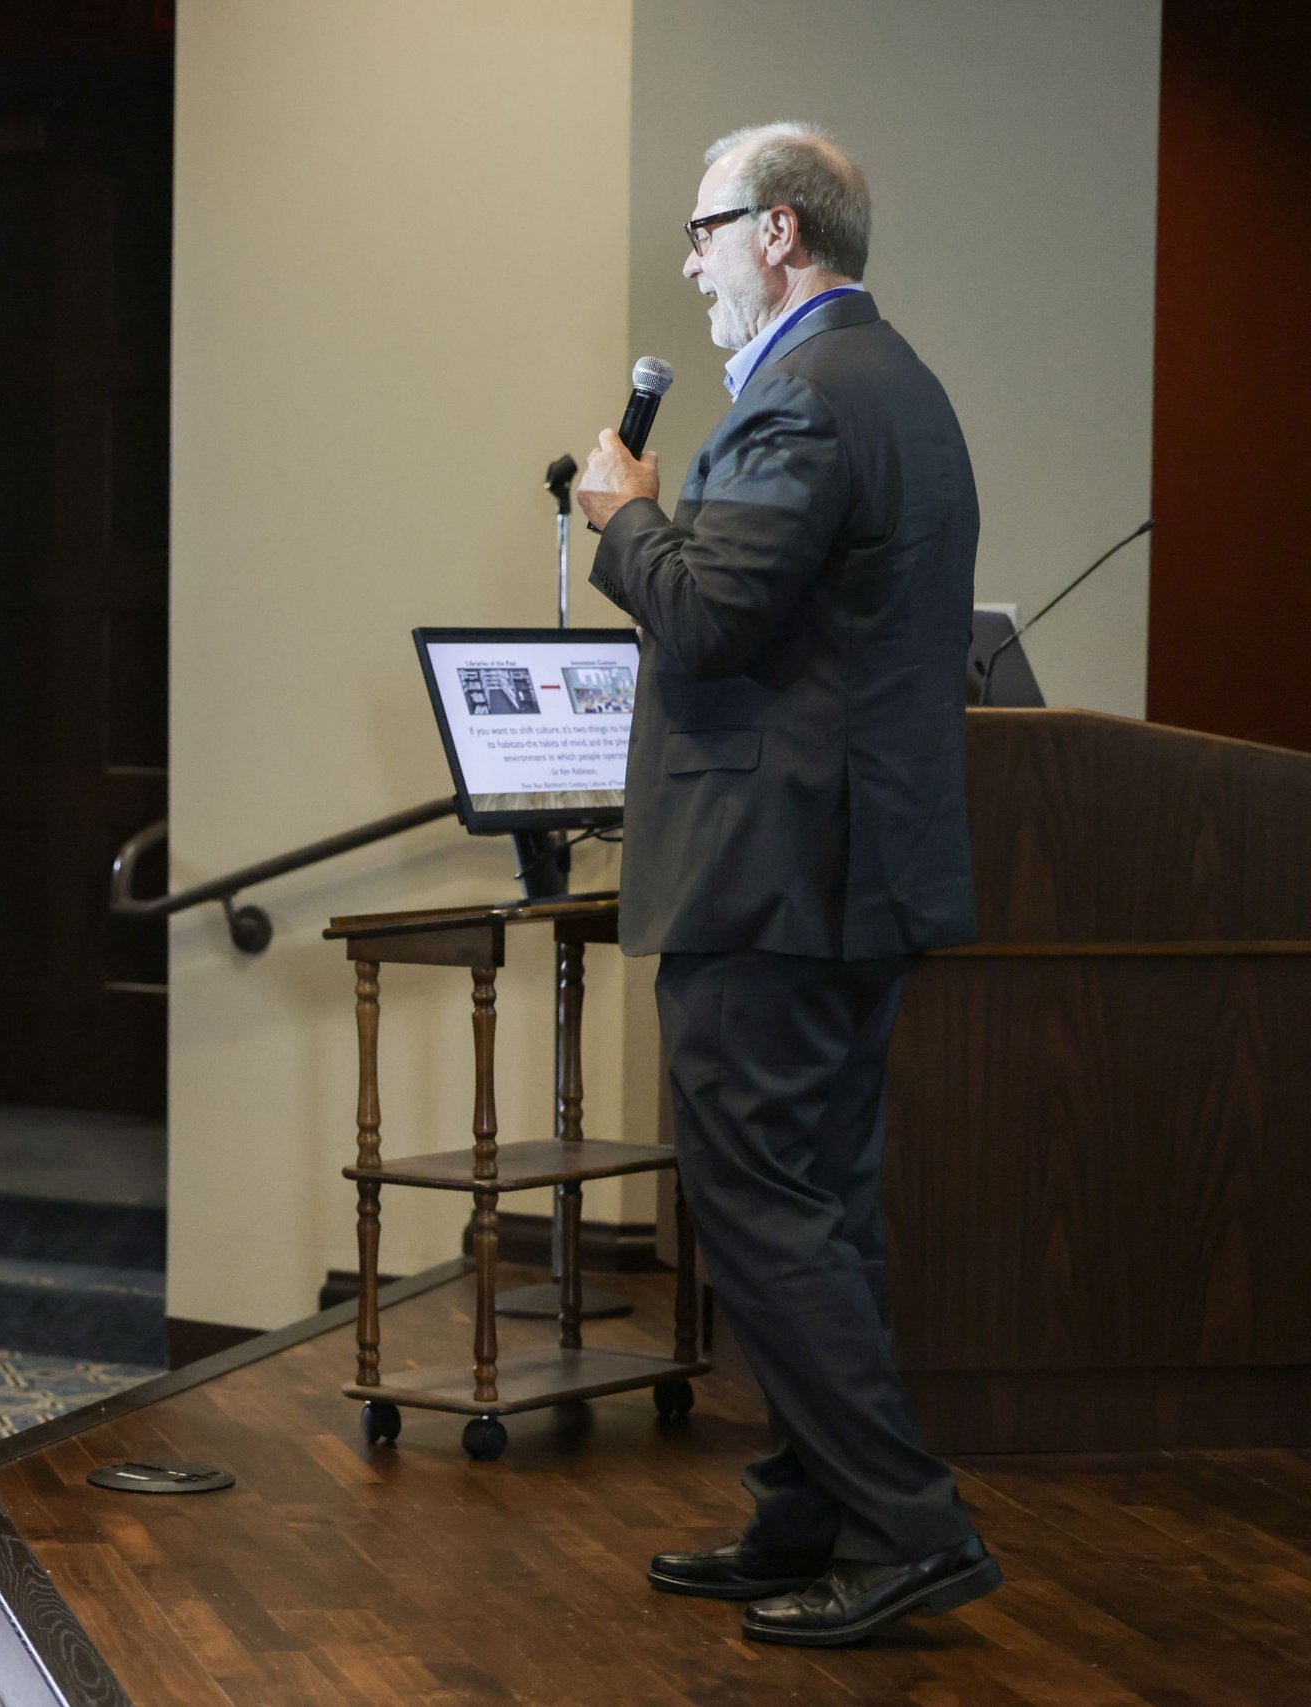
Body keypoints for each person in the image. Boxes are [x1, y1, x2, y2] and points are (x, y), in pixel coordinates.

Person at [575, 123, 1000, 1646]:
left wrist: (623, 516)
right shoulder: (900, 383)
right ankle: (812, 1512)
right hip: (848, 875)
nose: (689, 263)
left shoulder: (806, 396)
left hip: (776, 882)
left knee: (761, 1205)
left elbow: (709, 620)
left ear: (777, 232)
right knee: (821, 1208)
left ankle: (908, 1527)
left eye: (703, 232)